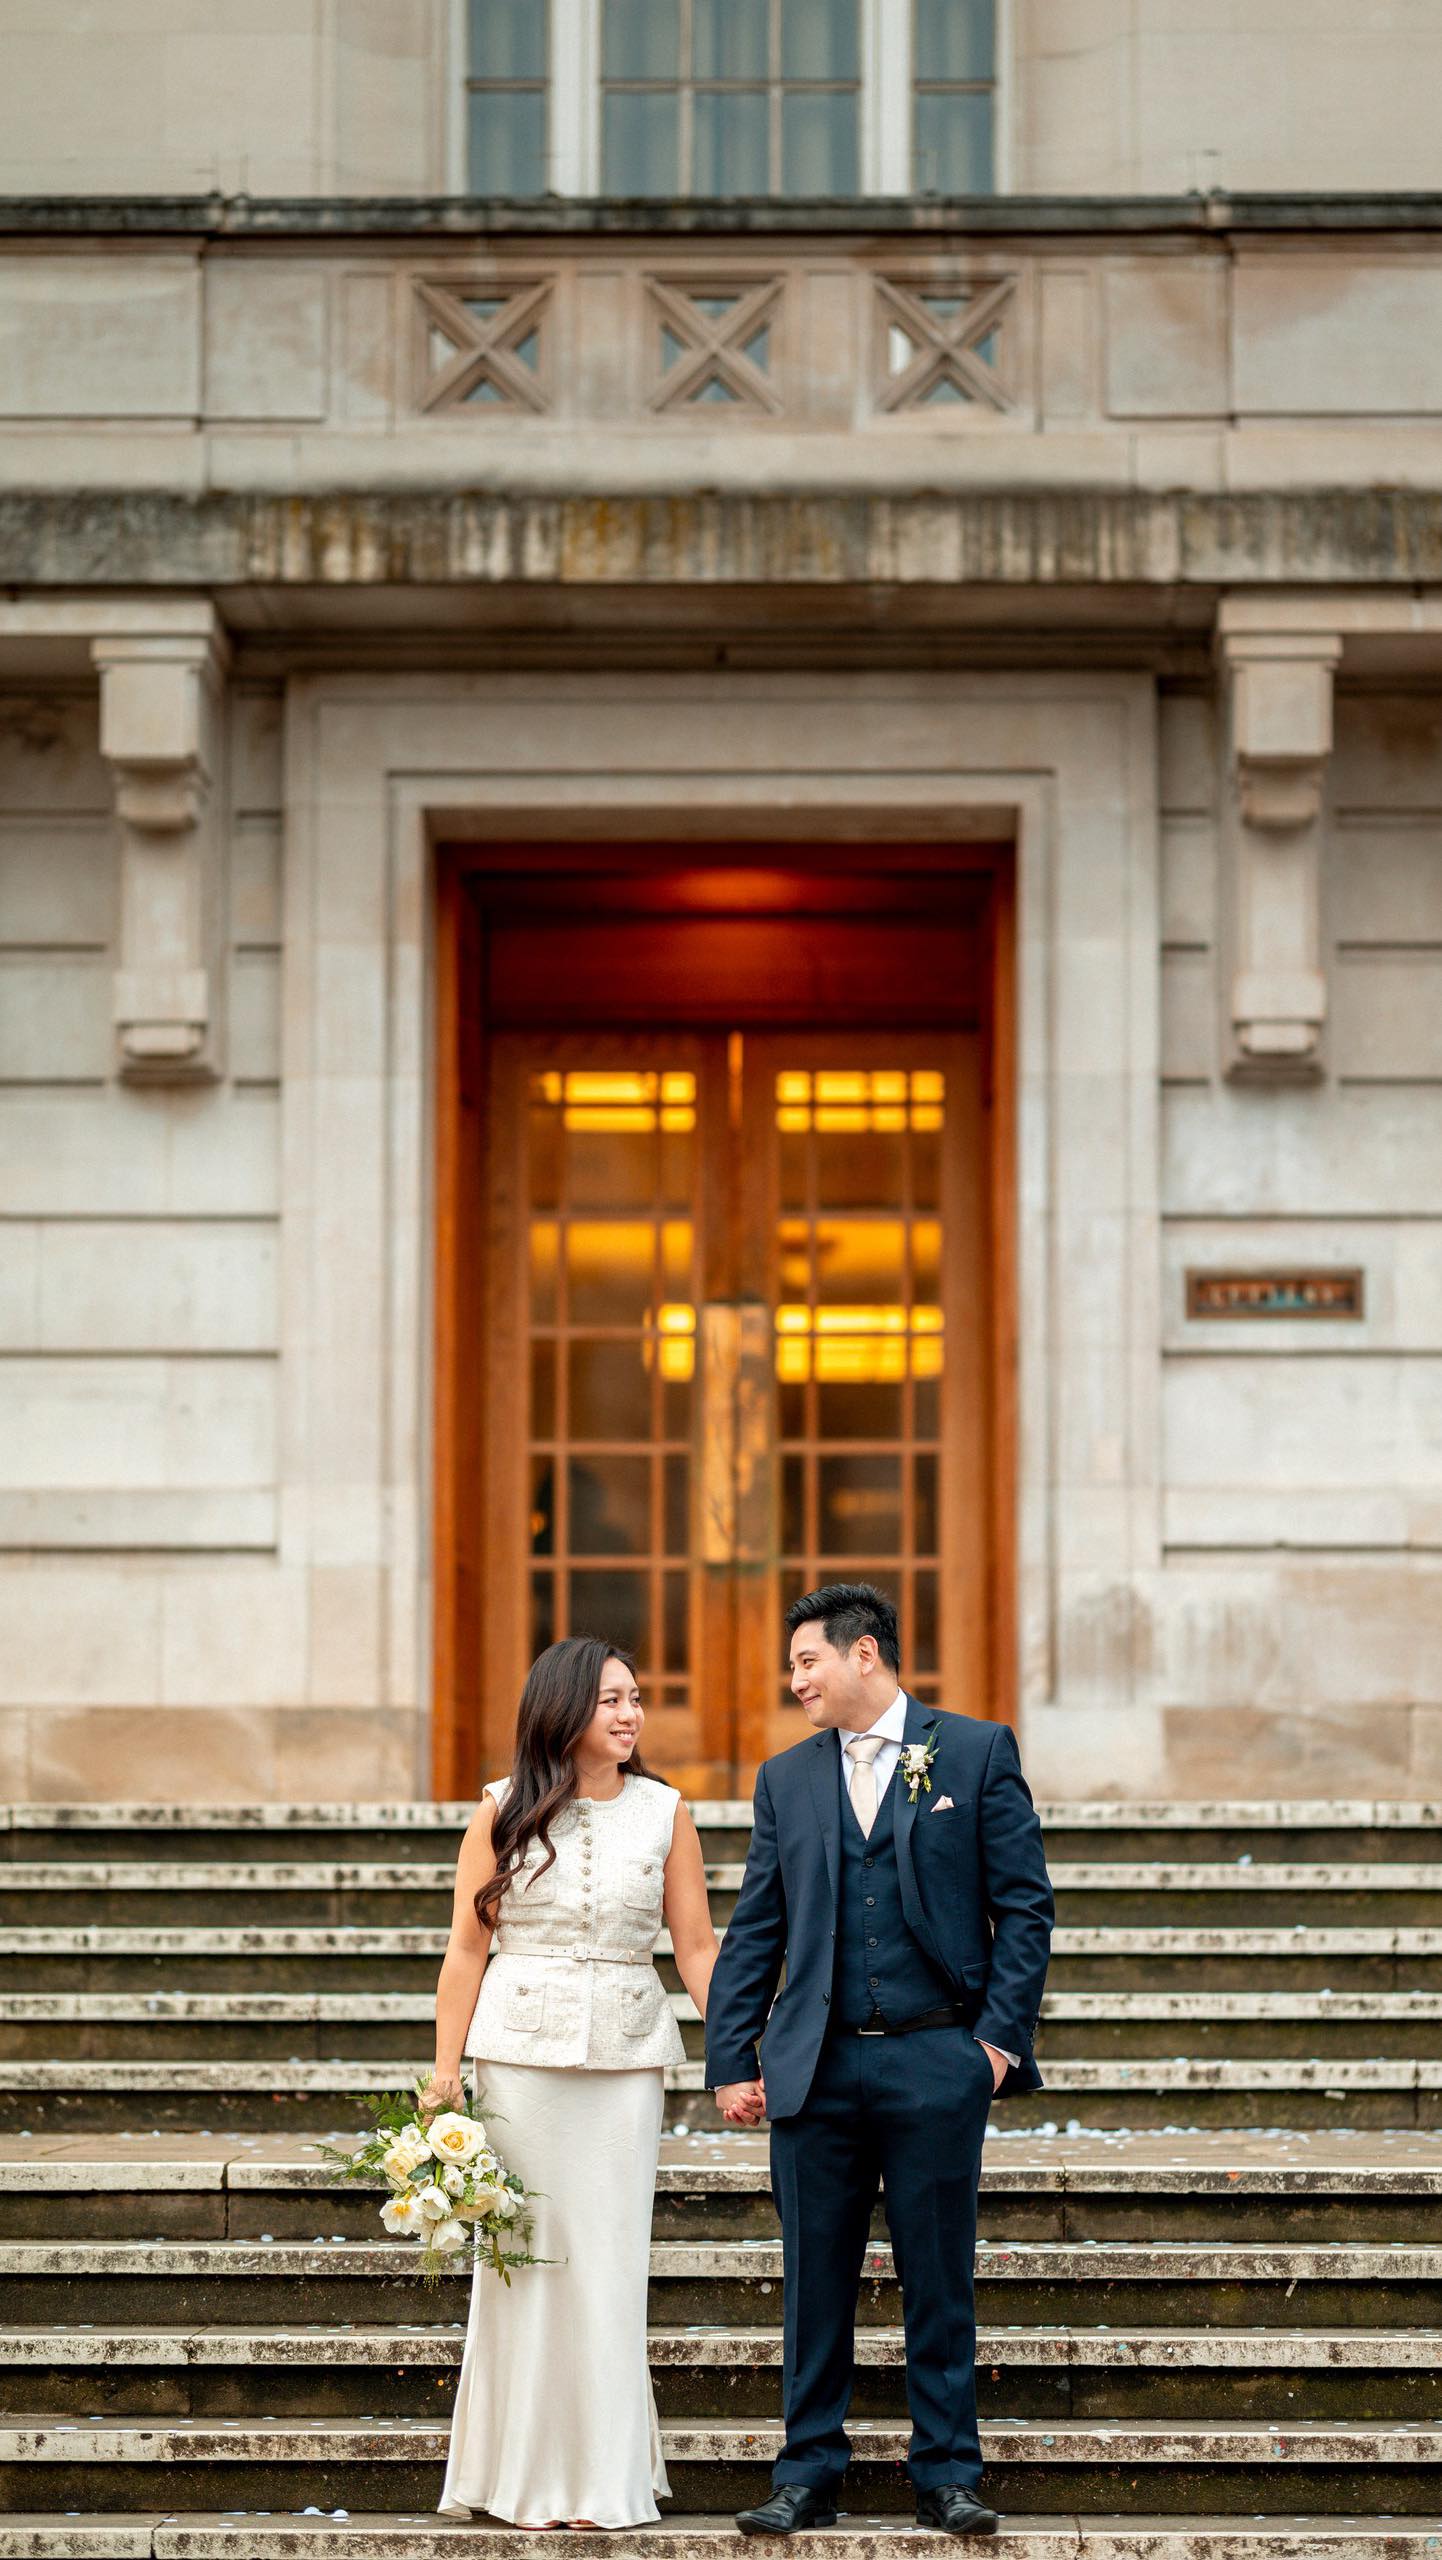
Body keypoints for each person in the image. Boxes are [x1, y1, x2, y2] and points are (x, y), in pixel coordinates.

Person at [705, 1582, 1054, 2538]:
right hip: (815, 2067)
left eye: (807, 1661)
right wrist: (733, 2055)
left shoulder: (976, 1751)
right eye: (792, 1668)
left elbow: (1026, 1906)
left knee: (939, 2276)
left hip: (936, 2057)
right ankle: (807, 2470)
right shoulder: (786, 1778)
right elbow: (757, 1925)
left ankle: (946, 2473)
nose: (795, 1682)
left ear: (865, 1655)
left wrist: (992, 2044)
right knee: (814, 2280)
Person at [424, 1635, 721, 2530]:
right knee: (524, 2268)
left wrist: (742, 2054)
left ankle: (601, 2482)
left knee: (608, 2266)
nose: (631, 1714)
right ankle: (520, 2480)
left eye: (636, 1699)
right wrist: (444, 2076)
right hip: (517, 2058)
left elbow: (698, 1946)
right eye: (611, 1701)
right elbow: (466, 1948)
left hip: (627, 2060)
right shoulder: (501, 1810)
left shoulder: (667, 1811)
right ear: (562, 1711)